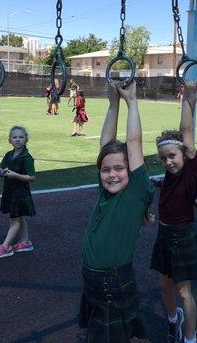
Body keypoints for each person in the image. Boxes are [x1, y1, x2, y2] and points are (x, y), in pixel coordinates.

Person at [79, 80, 154, 342]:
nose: (112, 175)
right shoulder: (105, 191)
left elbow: (133, 142)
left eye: (119, 169)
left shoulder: (135, 192)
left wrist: (131, 101)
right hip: (93, 278)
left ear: (131, 170)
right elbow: (105, 144)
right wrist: (113, 104)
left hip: (113, 281)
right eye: (106, 169)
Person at [151, 82, 197, 343]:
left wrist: (188, 97)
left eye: (172, 155)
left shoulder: (191, 169)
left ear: (184, 153)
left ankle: (191, 337)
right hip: (163, 233)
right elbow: (171, 189)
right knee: (164, 286)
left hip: (182, 235)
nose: (168, 161)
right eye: (163, 158)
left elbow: (186, 131)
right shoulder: (170, 175)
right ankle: (174, 320)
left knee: (184, 291)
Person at [0, 126, 36, 259]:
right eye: (14, 137)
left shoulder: (27, 157)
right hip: (10, 192)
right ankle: (25, 243)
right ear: (9, 140)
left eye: (21, 137)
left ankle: (5, 247)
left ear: (26, 140)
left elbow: (31, 177)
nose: (18, 140)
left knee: (14, 221)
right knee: (20, 218)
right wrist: (1, 172)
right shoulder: (9, 155)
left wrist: (15, 174)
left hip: (20, 194)